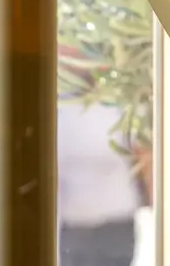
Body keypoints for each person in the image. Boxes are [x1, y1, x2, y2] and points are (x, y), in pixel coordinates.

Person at [57, 97, 140, 266]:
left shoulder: (120, 105)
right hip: (75, 224)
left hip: (115, 221)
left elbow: (141, 153)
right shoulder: (60, 108)